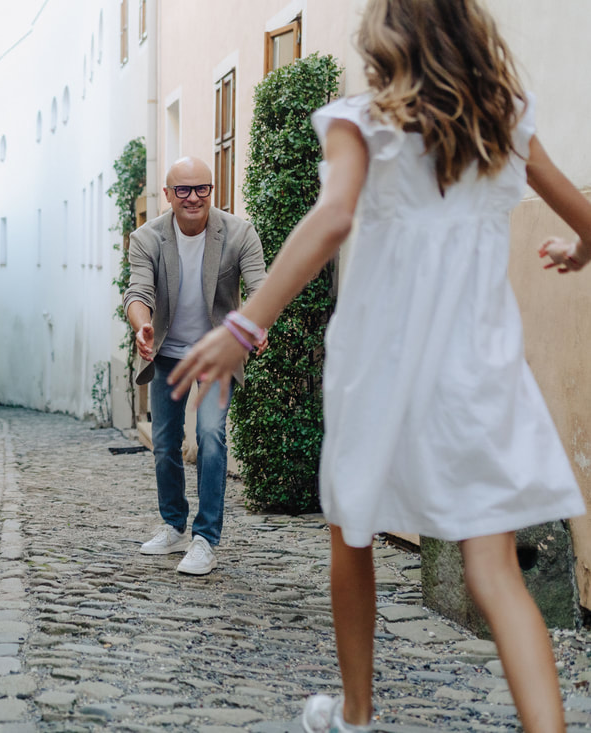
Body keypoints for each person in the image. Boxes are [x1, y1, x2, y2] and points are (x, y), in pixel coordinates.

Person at [168, 1, 591, 730]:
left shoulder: (359, 120)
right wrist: (579, 249)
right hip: (480, 363)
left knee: (352, 526)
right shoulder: (505, 123)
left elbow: (333, 217)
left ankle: (357, 714)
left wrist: (245, 321)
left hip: (381, 358)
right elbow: (583, 216)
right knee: (492, 569)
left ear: (385, 43)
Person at [123, 156, 268, 575]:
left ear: (212, 190)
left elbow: (260, 289)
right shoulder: (147, 237)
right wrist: (142, 326)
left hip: (217, 352)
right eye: (182, 190)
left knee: (209, 434)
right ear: (167, 195)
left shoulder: (239, 233)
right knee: (165, 441)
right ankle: (173, 525)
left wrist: (257, 327)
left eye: (201, 188)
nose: (193, 198)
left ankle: (205, 538)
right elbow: (138, 291)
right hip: (167, 352)